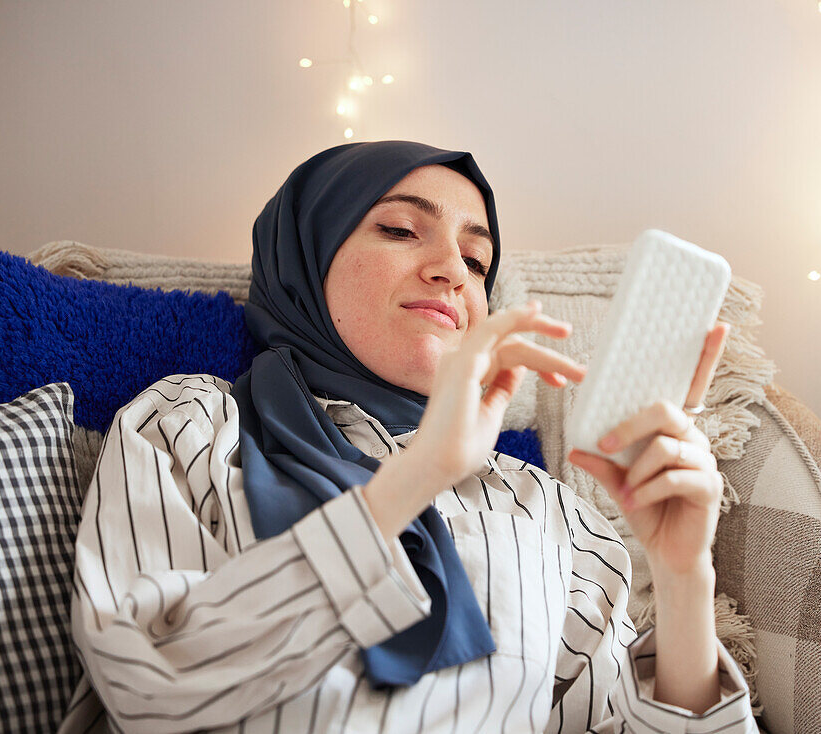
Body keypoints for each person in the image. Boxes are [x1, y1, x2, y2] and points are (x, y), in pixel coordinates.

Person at [57, 141, 756, 733]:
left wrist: (683, 579)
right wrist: (416, 476)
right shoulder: (186, 424)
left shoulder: (546, 510)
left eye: (478, 263)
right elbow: (147, 685)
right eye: (399, 230)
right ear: (304, 258)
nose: (452, 269)